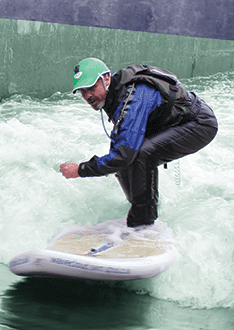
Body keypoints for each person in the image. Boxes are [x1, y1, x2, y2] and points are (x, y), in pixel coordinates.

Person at [59, 57, 218, 228]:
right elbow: (122, 142)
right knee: (124, 163)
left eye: (91, 87)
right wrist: (110, 165)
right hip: (172, 122)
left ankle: (143, 225)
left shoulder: (134, 97)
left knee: (141, 154)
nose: (87, 96)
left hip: (199, 123)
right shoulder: (114, 95)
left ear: (106, 78)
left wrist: (80, 170)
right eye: (82, 91)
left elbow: (124, 155)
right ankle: (144, 210)